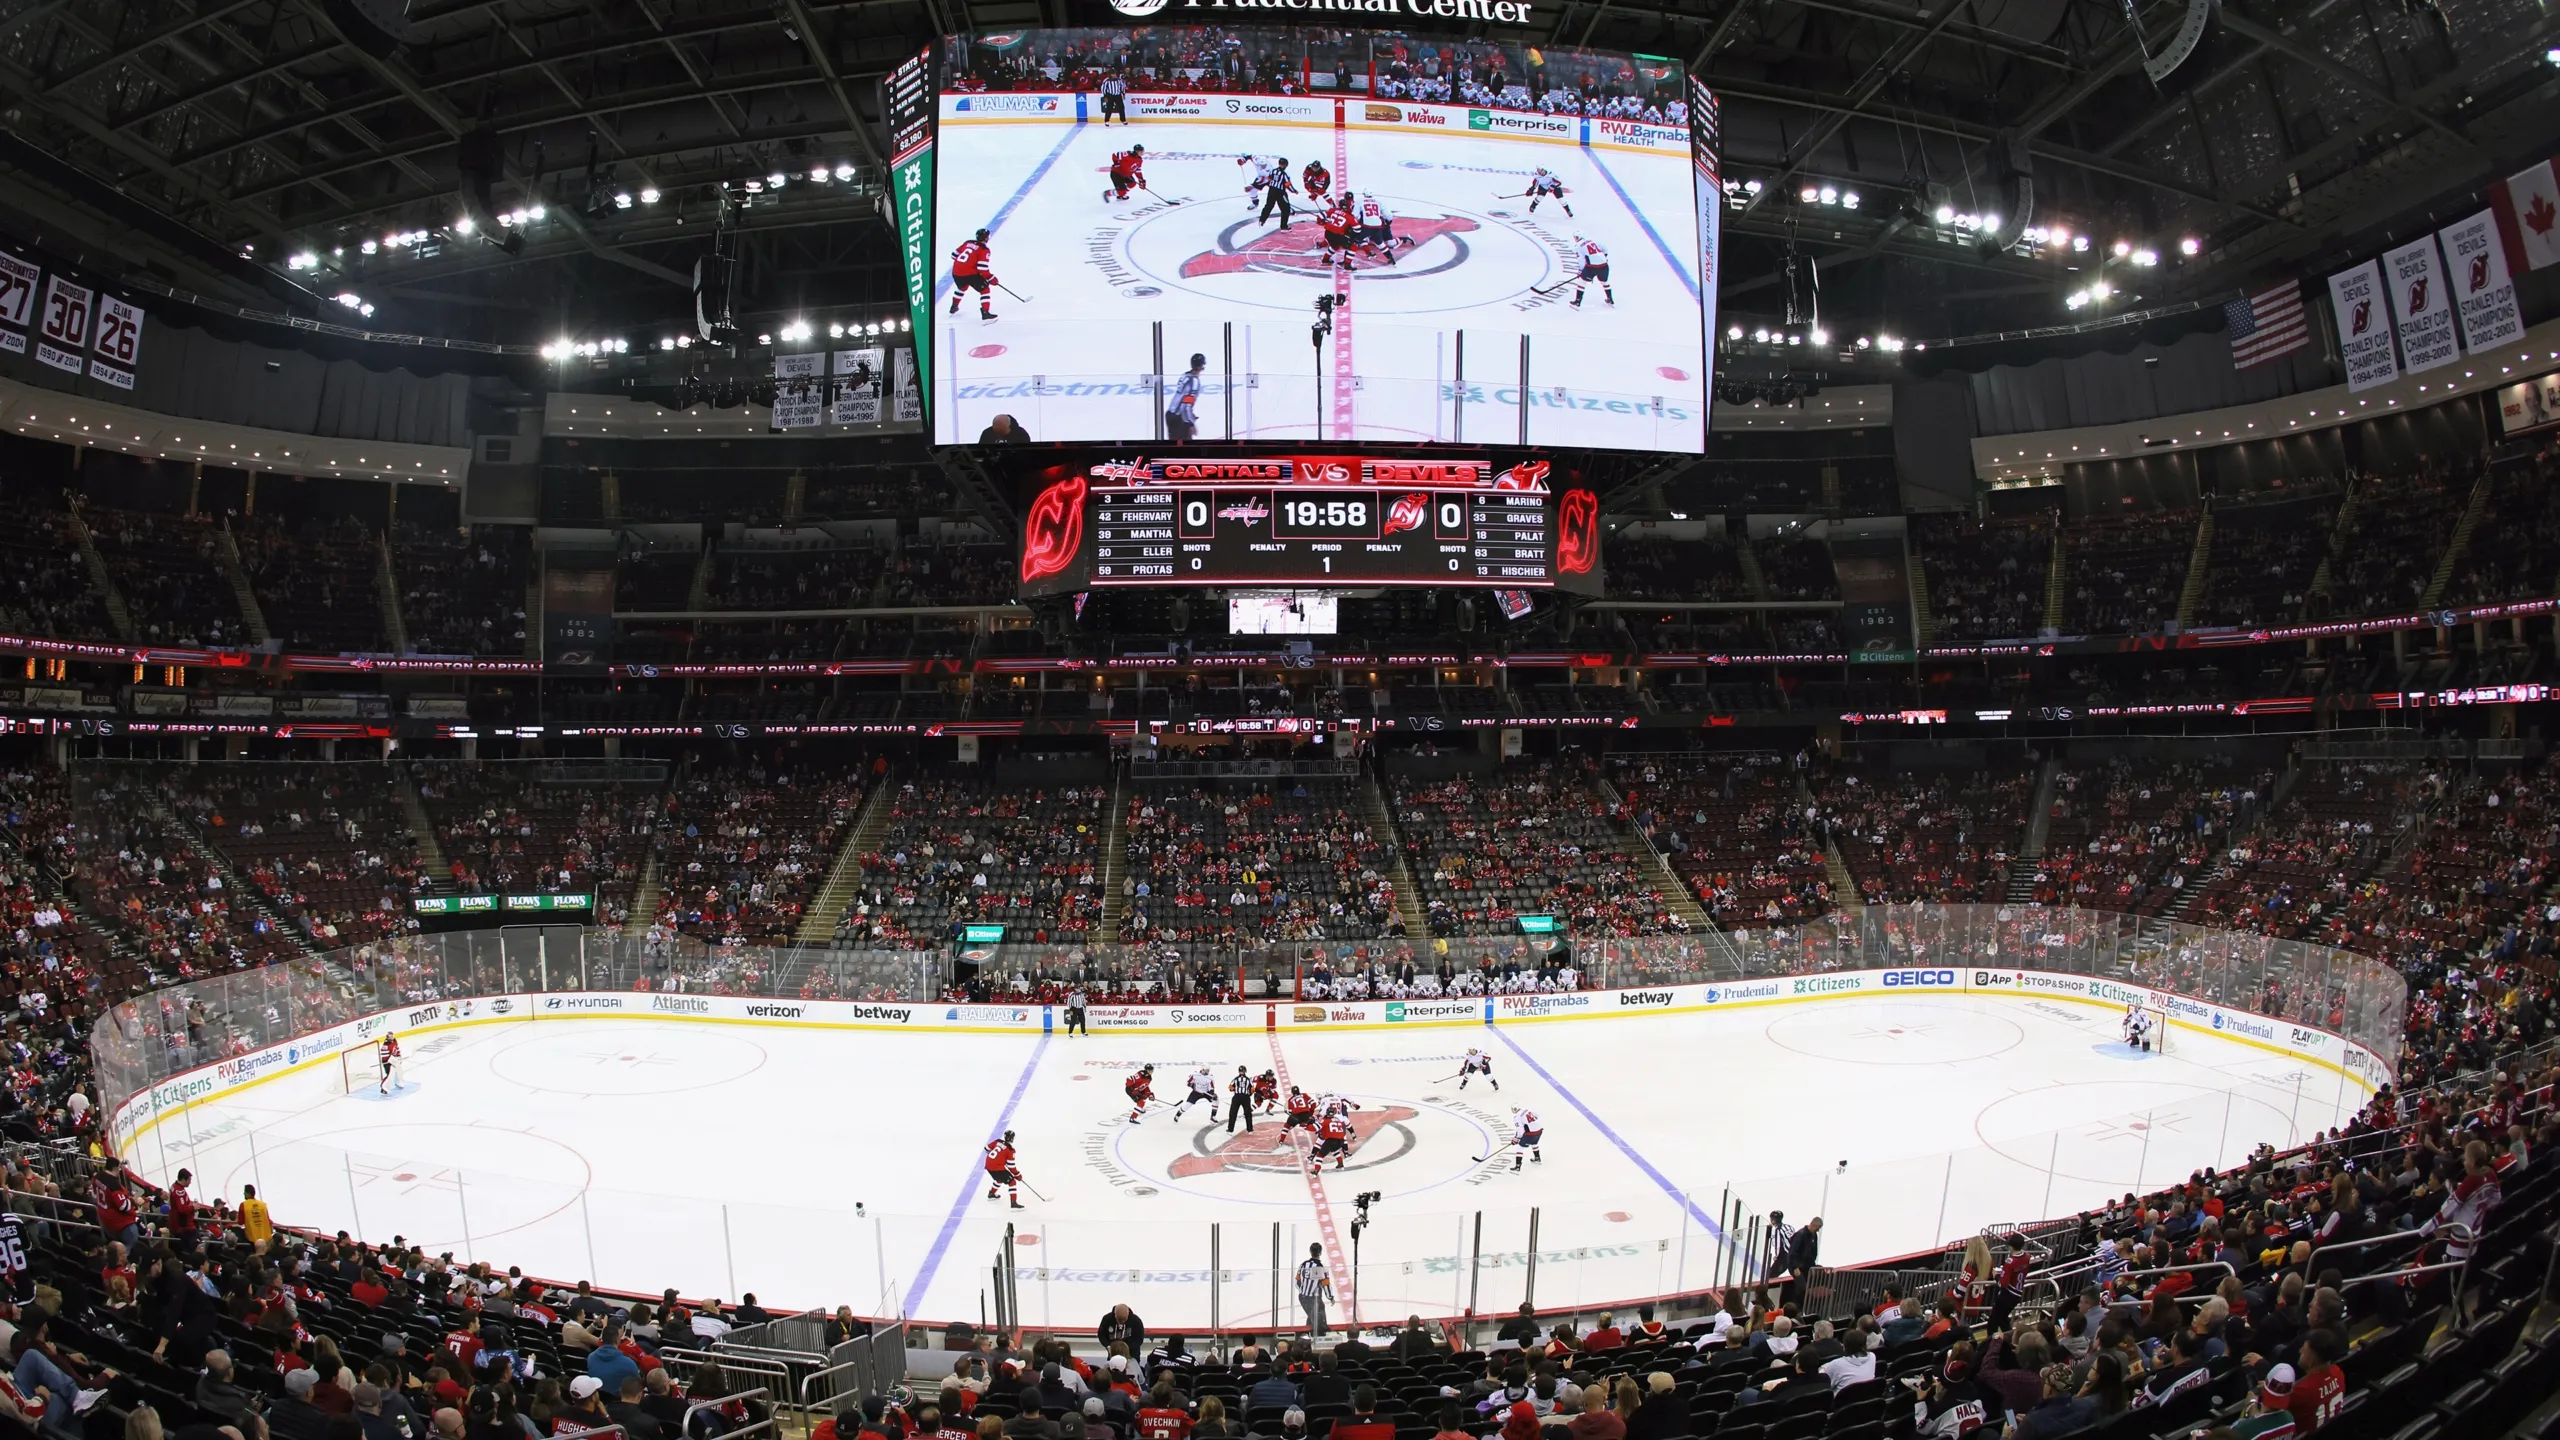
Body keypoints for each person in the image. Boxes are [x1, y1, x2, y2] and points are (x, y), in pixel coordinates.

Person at [951, 230, 998, 322]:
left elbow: (953, 255)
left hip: (956, 272)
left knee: (962, 287)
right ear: (986, 238)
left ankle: (954, 306)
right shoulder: (984, 250)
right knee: (985, 290)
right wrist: (991, 278)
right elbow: (982, 268)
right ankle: (985, 313)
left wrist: (966, 263)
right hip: (970, 274)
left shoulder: (968, 242)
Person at [1779, 1217, 1822, 1307]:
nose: (1818, 1230)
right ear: (1813, 1224)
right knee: (1801, 1288)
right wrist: (1795, 1267)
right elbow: (1792, 1253)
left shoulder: (1814, 1235)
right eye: (1817, 1228)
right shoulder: (1800, 1235)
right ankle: (1799, 1307)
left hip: (1807, 1265)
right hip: (1797, 1266)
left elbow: (1814, 1251)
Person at [1166, 355, 1206, 443]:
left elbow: (1182, 399)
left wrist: (1190, 414)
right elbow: (1186, 406)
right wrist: (1190, 423)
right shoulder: (1194, 382)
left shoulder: (1185, 376)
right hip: (1179, 418)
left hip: (1170, 415)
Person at [1294, 1245, 1332, 1337]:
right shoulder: (1320, 1267)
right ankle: (1319, 1338)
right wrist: (1330, 1297)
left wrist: (1303, 1292)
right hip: (1314, 1299)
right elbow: (1325, 1284)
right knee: (1320, 1322)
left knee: (1312, 1317)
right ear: (1320, 1252)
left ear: (1310, 1251)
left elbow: (1297, 1282)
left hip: (1302, 1297)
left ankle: (1305, 1335)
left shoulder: (1303, 1265)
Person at [1569, 235, 1613, 309]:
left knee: (1581, 282)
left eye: (1576, 237)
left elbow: (1581, 260)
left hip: (1592, 267)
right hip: (1604, 266)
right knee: (1604, 282)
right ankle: (1610, 299)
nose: (1575, 239)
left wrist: (1580, 271)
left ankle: (1577, 301)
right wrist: (1603, 257)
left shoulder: (1578, 247)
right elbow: (1605, 248)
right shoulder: (1592, 241)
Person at [984, 1132, 1024, 1210]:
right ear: (1012, 1138)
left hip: (988, 1165)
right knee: (1012, 1182)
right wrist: (1017, 1175)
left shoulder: (997, 1141)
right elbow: (1011, 1166)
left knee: (999, 1178)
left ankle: (991, 1193)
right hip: (997, 1168)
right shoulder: (1010, 1150)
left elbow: (986, 1149)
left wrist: (998, 1159)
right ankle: (1014, 1204)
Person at [1225, 1067, 1255, 1134]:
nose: (1241, 1073)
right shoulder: (1246, 1079)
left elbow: (1230, 1088)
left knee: (1248, 1113)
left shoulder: (1238, 1079)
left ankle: (1250, 1129)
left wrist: (1233, 1089)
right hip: (1239, 1097)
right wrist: (1250, 1093)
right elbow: (1252, 1089)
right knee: (1233, 1113)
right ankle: (1230, 1129)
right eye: (1241, 1071)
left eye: (1242, 1071)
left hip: (1243, 1097)